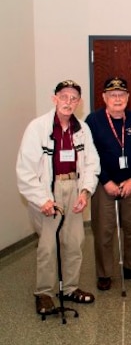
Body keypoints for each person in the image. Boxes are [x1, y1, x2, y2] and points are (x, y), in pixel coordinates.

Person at [16, 80, 100, 315]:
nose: (68, 102)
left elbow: (92, 163)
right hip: (47, 191)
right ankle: (43, 293)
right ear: (55, 98)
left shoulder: (82, 129)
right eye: (64, 97)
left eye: (74, 98)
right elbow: (25, 169)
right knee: (48, 246)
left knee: (75, 242)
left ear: (79, 103)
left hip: (73, 187)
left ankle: (70, 288)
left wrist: (85, 191)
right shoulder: (38, 127)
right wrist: (42, 199)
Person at [85, 77, 131, 291]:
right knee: (104, 229)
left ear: (128, 97)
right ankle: (104, 273)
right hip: (104, 183)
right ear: (104, 97)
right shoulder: (93, 121)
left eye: (121, 94)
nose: (117, 98)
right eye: (112, 95)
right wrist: (106, 181)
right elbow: (89, 155)